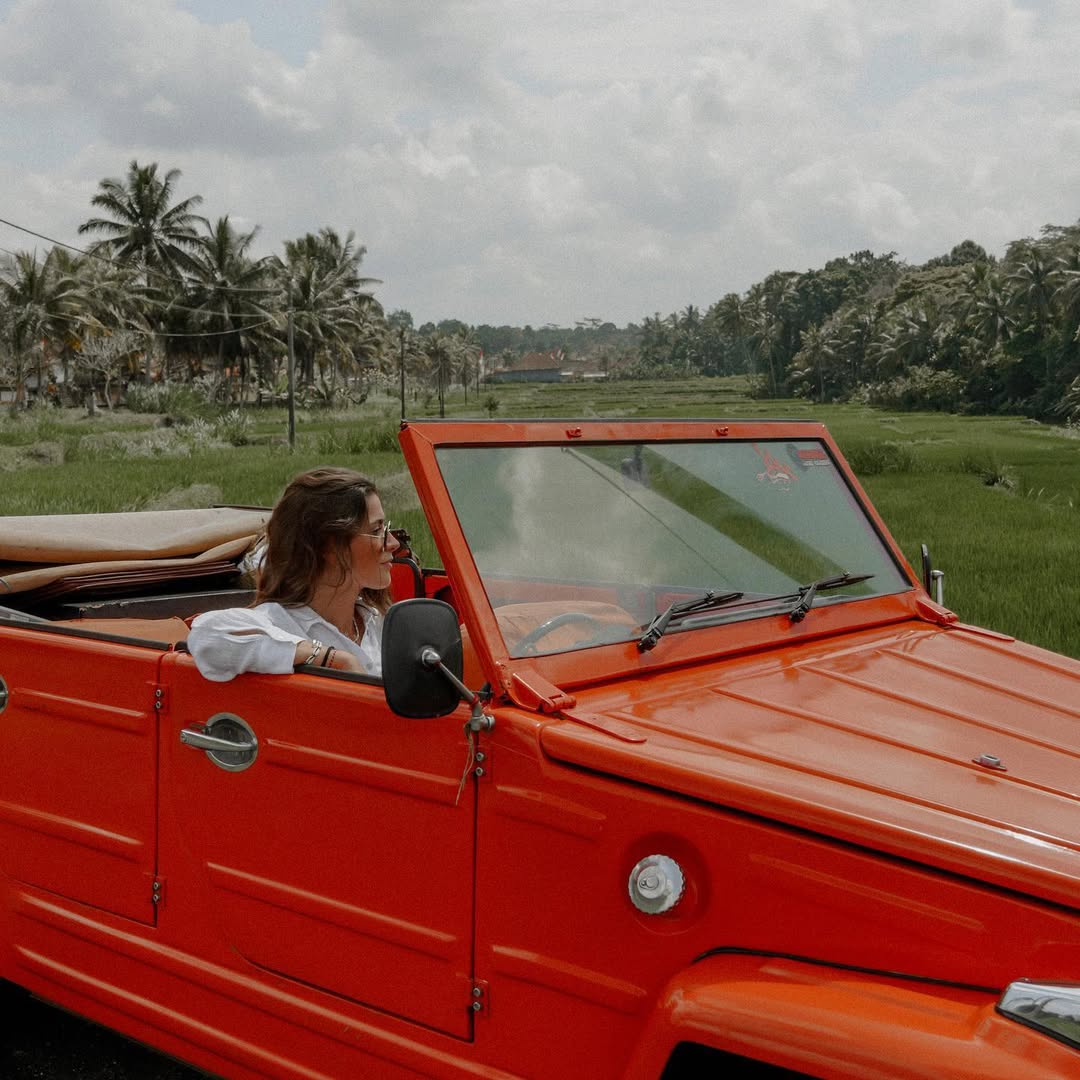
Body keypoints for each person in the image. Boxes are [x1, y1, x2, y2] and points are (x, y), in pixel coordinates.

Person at [188, 467, 399, 682]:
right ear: (329, 546)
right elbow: (208, 635)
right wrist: (333, 658)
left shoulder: (379, 620)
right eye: (376, 531)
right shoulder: (278, 621)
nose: (393, 543)